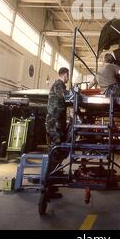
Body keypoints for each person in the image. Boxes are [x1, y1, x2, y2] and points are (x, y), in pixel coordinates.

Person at [45, 67, 70, 197]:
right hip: (54, 125)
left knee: (55, 154)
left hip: (54, 124)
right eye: (68, 75)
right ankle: (48, 187)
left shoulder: (58, 85)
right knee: (55, 154)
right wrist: (77, 95)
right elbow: (66, 96)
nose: (68, 78)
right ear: (65, 74)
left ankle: (51, 186)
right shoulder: (59, 85)